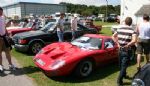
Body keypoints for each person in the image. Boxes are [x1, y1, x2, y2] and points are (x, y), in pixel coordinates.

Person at [112, 17, 137, 86]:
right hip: (127, 50)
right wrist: (128, 45)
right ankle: (119, 81)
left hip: (120, 50)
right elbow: (134, 40)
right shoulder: (132, 30)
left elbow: (113, 36)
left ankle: (124, 75)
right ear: (131, 23)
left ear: (125, 22)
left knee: (121, 65)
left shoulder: (119, 28)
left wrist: (117, 44)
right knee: (124, 66)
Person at [0, 7, 16, 73]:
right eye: (0, 12)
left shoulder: (3, 18)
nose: (1, 13)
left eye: (1, 11)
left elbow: (4, 27)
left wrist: (7, 34)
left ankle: (10, 64)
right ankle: (0, 66)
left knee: (8, 52)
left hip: (4, 37)